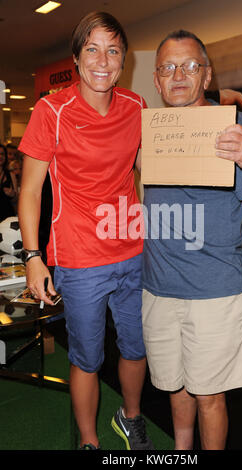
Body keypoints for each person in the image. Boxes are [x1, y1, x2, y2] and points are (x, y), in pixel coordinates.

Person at [140, 30, 242, 450]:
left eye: (190, 66)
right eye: (168, 68)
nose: (179, 76)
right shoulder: (152, 130)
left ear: (206, 77)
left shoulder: (234, 126)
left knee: (209, 396)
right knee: (176, 388)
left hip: (214, 294)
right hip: (158, 289)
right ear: (156, 80)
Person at [18, 11, 153, 451]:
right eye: (92, 49)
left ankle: (129, 417)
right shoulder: (50, 110)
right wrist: (33, 257)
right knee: (88, 359)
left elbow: (146, 175)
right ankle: (89, 442)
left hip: (132, 251)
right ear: (76, 58)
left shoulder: (136, 108)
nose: (102, 60)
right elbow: (31, 191)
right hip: (79, 259)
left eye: (112, 50)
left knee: (135, 348)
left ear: (124, 60)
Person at [0, 144, 18, 222]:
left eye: (2, 154)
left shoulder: (11, 175)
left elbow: (16, 200)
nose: (0, 156)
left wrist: (13, 194)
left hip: (7, 218)